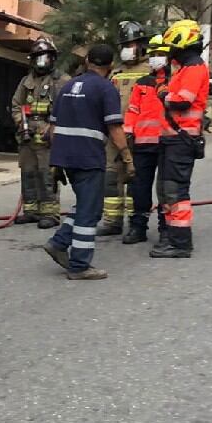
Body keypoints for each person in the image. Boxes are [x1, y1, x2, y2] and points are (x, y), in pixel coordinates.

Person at [42, 44, 133, 281]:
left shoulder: (68, 86)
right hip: (88, 157)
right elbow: (114, 127)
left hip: (65, 156)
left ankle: (59, 243)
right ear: (110, 66)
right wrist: (127, 157)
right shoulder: (106, 88)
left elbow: (52, 128)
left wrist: (56, 160)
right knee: (89, 210)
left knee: (86, 204)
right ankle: (79, 265)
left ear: (87, 62)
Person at [151, 19, 210, 259]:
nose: (170, 52)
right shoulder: (185, 68)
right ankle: (170, 236)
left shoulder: (194, 68)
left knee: (175, 191)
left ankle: (180, 242)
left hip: (181, 139)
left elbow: (182, 101)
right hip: (172, 139)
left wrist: (164, 94)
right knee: (166, 190)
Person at [95, 20, 150, 237]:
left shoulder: (149, 71)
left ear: (141, 45)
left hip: (138, 135)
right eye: (124, 46)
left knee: (135, 179)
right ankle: (112, 221)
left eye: (131, 45)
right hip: (113, 134)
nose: (127, 49)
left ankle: (135, 222)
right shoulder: (115, 73)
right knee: (110, 178)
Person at [10, 37, 64, 228]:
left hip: (48, 137)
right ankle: (31, 210)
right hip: (27, 136)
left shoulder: (60, 81)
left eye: (45, 57)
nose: (41, 62)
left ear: (52, 58)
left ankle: (50, 213)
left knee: (47, 175)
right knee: (28, 174)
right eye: (38, 57)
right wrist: (21, 123)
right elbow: (16, 105)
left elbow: (65, 109)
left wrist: (52, 128)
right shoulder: (26, 81)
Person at [122, 35, 170, 245]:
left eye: (160, 54)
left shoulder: (174, 82)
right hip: (142, 144)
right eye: (153, 55)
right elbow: (132, 110)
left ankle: (166, 229)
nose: (155, 58)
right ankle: (138, 227)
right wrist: (128, 133)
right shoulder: (142, 83)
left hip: (167, 143)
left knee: (166, 189)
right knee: (139, 188)